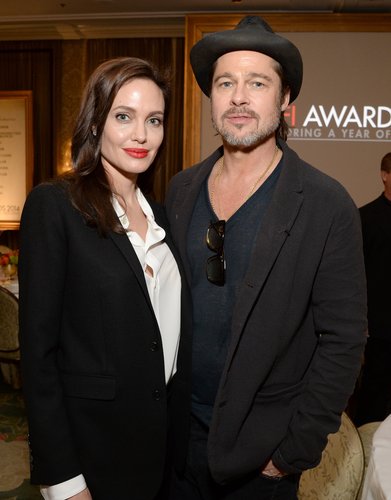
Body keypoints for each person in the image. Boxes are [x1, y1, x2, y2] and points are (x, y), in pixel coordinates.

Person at [165, 16, 367, 500]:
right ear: (210, 98)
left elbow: (342, 340)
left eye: (258, 83)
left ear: (285, 101)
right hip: (174, 446)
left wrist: (291, 452)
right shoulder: (180, 190)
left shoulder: (325, 203)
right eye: (225, 83)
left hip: (262, 460)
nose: (238, 97)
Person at [18, 57, 191, 500]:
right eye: (123, 117)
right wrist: (63, 480)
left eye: (154, 120)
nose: (141, 135)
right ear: (95, 123)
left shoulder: (163, 217)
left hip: (162, 452)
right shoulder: (55, 205)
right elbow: (39, 357)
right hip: (93, 456)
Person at [354, 152, 391, 426]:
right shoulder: (364, 218)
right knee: (374, 399)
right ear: (385, 176)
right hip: (378, 328)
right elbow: (354, 275)